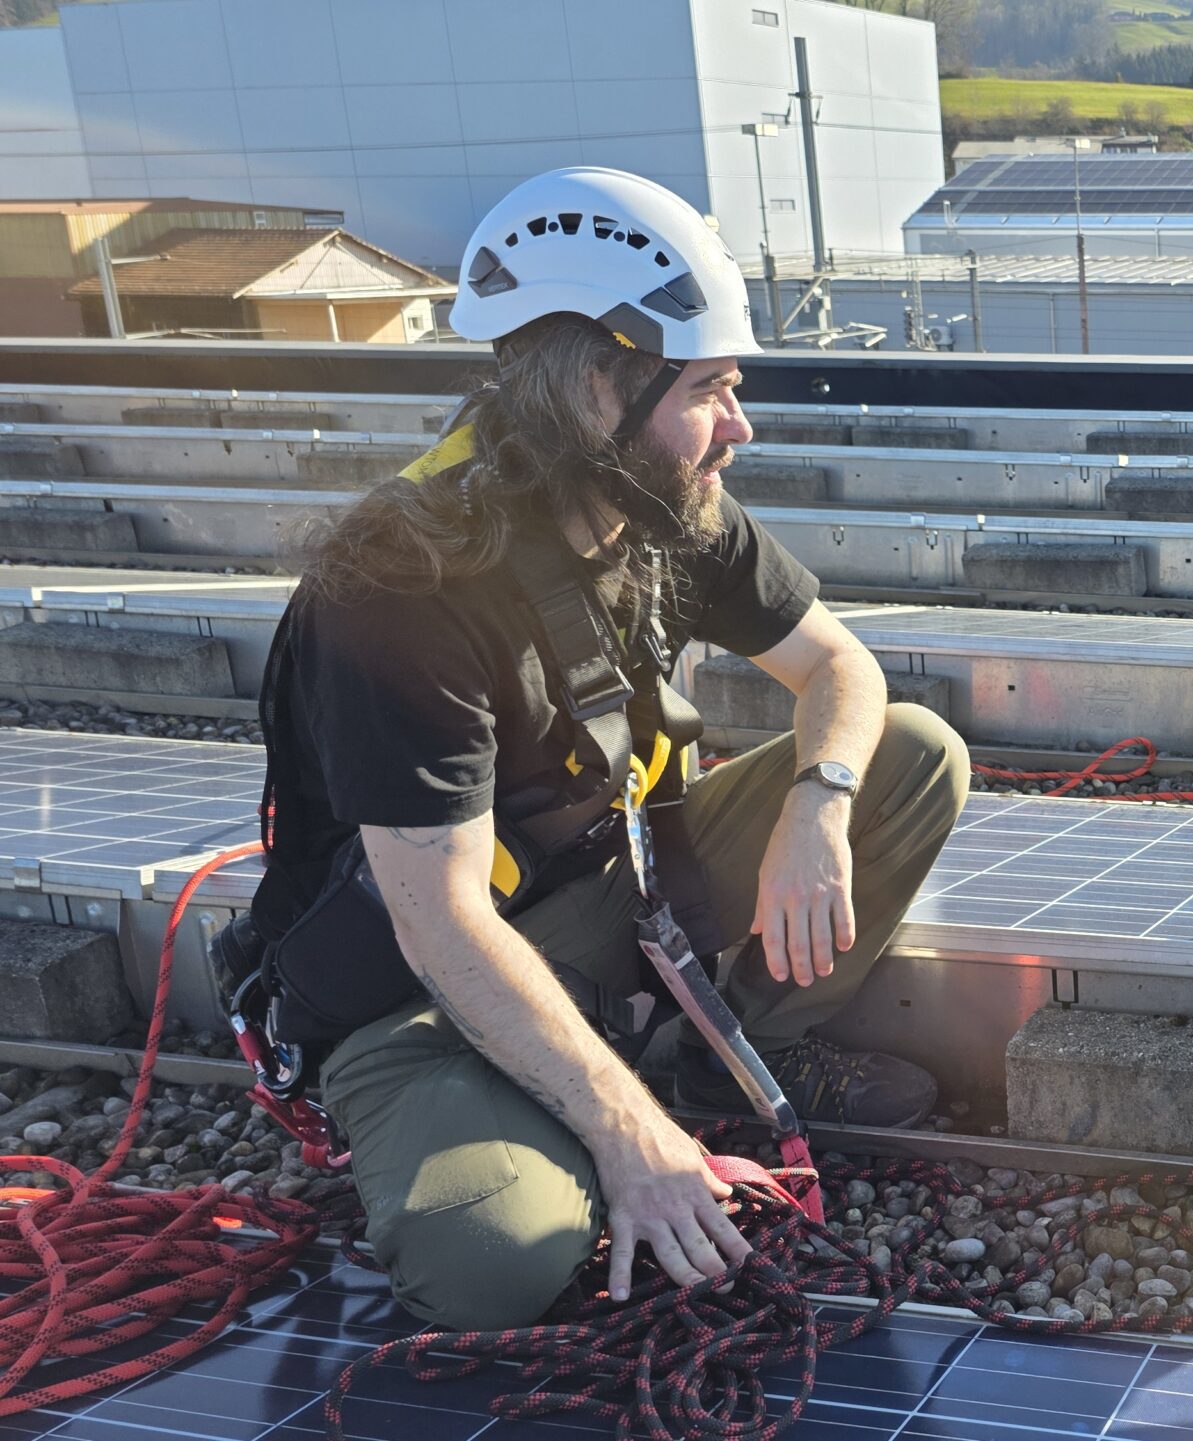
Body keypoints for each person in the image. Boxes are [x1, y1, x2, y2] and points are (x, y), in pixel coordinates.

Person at [241, 167, 969, 1329]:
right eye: (712, 388)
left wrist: (818, 804)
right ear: (596, 387)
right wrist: (627, 1142)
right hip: (421, 989)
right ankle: (588, 1108)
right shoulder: (402, 582)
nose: (740, 425)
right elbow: (441, 924)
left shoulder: (663, 498)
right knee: (491, 1261)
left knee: (908, 756)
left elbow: (843, 670)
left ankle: (707, 1059)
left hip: (615, 903)